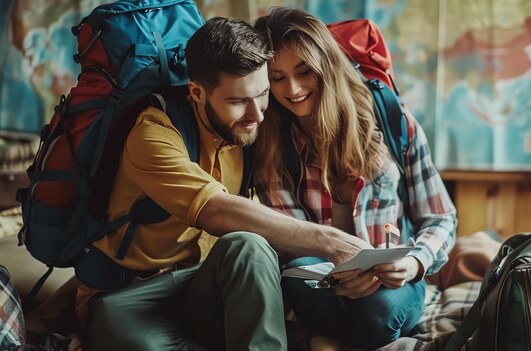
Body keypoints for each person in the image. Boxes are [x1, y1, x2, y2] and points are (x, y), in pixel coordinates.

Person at [73, 17, 372, 351]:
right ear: (197, 92)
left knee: (249, 246)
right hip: (129, 297)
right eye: (237, 101)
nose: (256, 114)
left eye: (262, 94)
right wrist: (331, 241)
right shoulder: (152, 134)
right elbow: (215, 209)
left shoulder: (251, 130)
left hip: (198, 289)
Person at [253, 7, 457, 350]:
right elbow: (290, 239)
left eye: (304, 71)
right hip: (321, 279)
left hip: (393, 280)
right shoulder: (271, 141)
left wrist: (411, 263)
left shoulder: (391, 119)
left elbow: (440, 216)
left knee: (379, 309)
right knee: (300, 275)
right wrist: (337, 266)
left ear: (327, 67)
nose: (293, 88)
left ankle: (324, 339)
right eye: (277, 77)